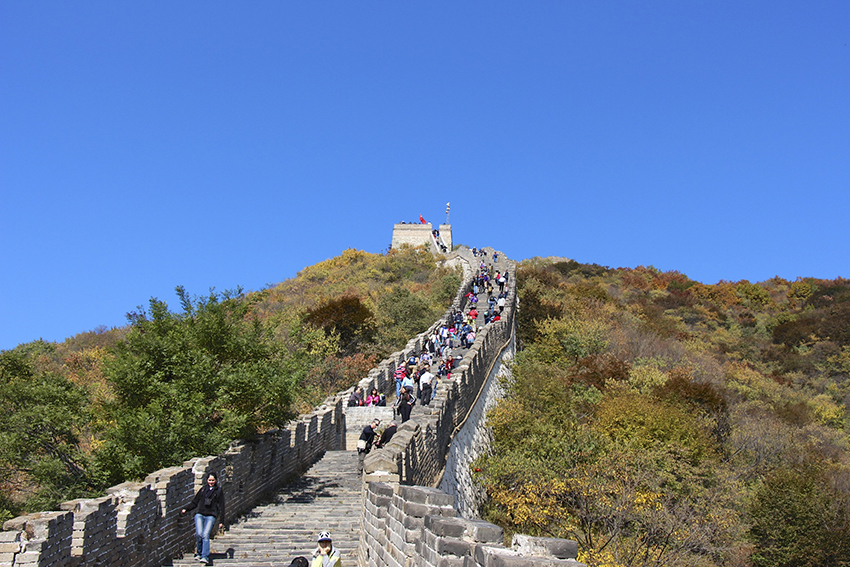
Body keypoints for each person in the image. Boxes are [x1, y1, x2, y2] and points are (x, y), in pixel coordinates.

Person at [181, 472, 225, 566]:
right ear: (207, 480)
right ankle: (199, 553)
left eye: (213, 480)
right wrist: (186, 509)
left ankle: (205, 556)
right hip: (200, 514)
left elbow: (222, 506)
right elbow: (195, 502)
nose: (211, 482)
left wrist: (221, 520)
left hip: (211, 515)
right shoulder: (203, 490)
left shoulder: (218, 491)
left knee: (205, 535)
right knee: (199, 534)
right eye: (209, 480)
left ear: (216, 480)